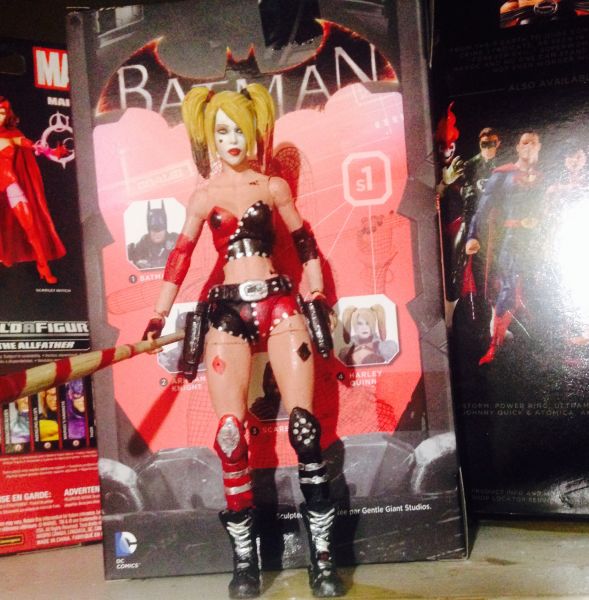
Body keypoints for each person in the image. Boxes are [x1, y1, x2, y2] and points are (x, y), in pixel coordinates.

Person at [144, 84, 343, 598]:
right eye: (222, 131)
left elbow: (304, 240)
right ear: (210, 138)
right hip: (228, 310)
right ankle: (245, 564)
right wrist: (159, 313)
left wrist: (316, 289)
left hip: (278, 304)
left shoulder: (273, 187)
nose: (232, 139)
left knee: (305, 430)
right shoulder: (203, 195)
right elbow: (180, 256)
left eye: (240, 129)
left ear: (255, 132)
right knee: (231, 436)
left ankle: (323, 561)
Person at [466, 131, 543, 364]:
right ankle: (494, 346)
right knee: (508, 287)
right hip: (512, 238)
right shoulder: (503, 173)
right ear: (518, 147)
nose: (528, 146)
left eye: (533, 143)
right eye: (524, 142)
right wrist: (472, 235)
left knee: (536, 288)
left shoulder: (542, 177)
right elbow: (482, 208)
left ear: (539, 147)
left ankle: (539, 343)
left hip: (537, 241)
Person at [0, 97, 65, 283]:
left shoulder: (12, 136)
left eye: (2, 113)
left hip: (10, 185)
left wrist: (50, 152)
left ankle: (43, 266)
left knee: (31, 228)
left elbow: (32, 145)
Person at [127, 200, 179, 269]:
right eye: (154, 230)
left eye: (160, 230)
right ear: (149, 231)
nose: (157, 234)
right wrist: (138, 263)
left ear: (165, 229)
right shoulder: (143, 243)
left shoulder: (175, 239)